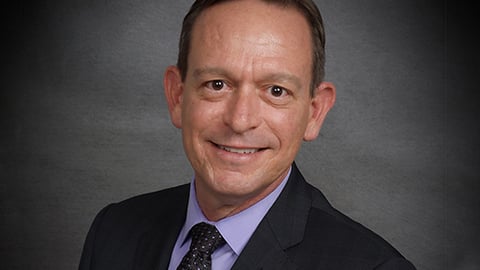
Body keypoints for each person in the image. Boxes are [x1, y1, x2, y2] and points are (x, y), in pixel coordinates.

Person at [78, 0, 416, 269]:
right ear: (177, 96)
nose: (240, 120)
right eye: (217, 84)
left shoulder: (375, 266)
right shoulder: (113, 231)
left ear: (314, 113)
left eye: (276, 91)